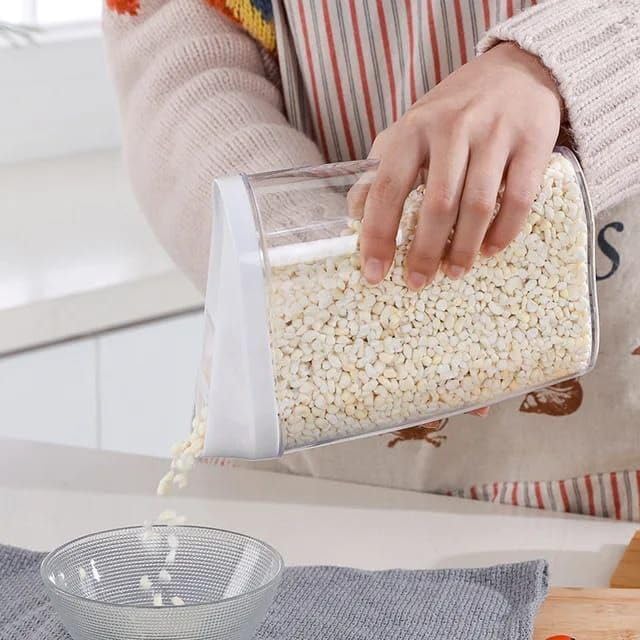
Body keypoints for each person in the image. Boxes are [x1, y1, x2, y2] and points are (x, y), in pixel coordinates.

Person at [103, 0, 640, 519]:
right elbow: (177, 51)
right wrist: (318, 267)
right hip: (311, 453)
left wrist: (559, 69)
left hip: (611, 451)